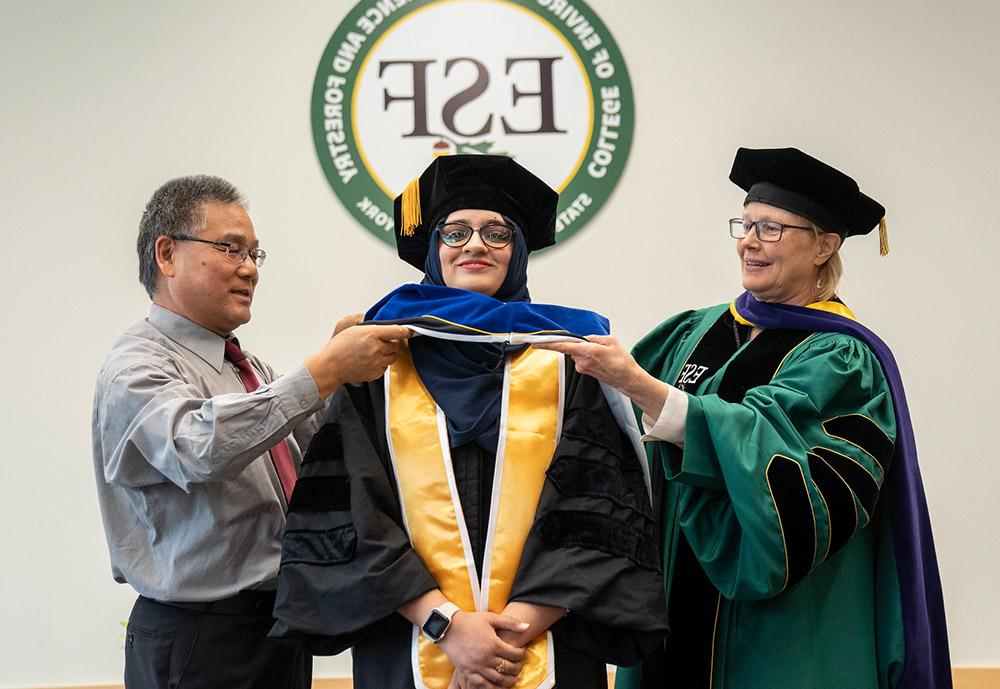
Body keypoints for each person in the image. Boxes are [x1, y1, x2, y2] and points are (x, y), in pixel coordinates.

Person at [537, 148, 951, 689]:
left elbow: (776, 460)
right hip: (669, 619)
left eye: (772, 228)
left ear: (825, 245)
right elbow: (608, 430)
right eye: (746, 223)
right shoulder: (694, 331)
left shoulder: (841, 359)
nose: (749, 241)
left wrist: (639, 384)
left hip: (781, 629)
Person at [269, 155, 668, 689]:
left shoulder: (570, 359)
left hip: (547, 644)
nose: (475, 245)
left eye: (496, 233)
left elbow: (597, 514)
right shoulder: (377, 358)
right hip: (407, 646)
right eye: (455, 232)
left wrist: (505, 640)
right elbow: (355, 515)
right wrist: (449, 628)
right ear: (433, 251)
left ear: (519, 252)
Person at [92, 174, 410, 689]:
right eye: (230, 248)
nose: (248, 269)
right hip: (201, 639)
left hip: (277, 627)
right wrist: (323, 371)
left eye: (255, 254)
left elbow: (314, 457)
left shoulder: (252, 370)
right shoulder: (136, 368)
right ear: (167, 255)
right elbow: (199, 448)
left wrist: (338, 371)